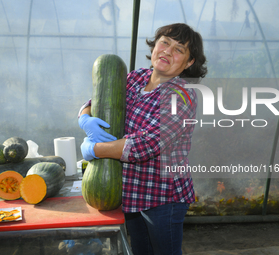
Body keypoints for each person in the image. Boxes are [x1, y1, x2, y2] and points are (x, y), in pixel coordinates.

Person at [78, 23, 207, 255]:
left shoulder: (182, 95)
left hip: (163, 198)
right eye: (165, 42)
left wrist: (95, 149)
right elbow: (94, 102)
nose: (168, 50)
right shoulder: (136, 77)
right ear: (155, 45)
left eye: (179, 49)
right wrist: (85, 119)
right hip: (131, 193)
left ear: (189, 63)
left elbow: (144, 145)